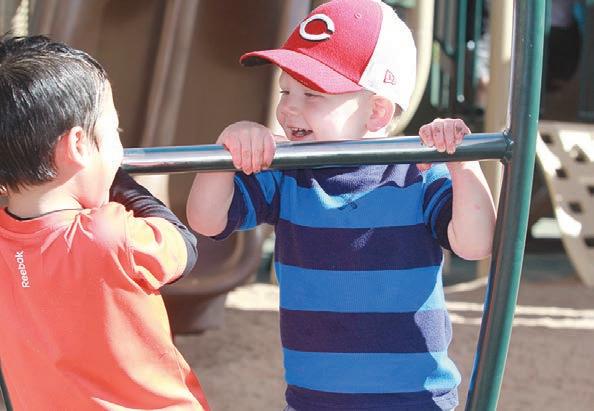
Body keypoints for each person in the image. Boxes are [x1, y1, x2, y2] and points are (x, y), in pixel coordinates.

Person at [187, 0, 496, 410]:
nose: (288, 108)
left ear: (377, 111)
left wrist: (462, 163)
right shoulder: (286, 173)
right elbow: (206, 220)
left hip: (414, 400)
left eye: (312, 94)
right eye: (285, 90)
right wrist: (224, 154)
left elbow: (475, 244)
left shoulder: (416, 172)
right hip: (314, 400)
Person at [0, 35, 209, 410]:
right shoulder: (110, 235)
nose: (120, 149)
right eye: (115, 132)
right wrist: (120, 182)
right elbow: (184, 246)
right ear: (78, 145)